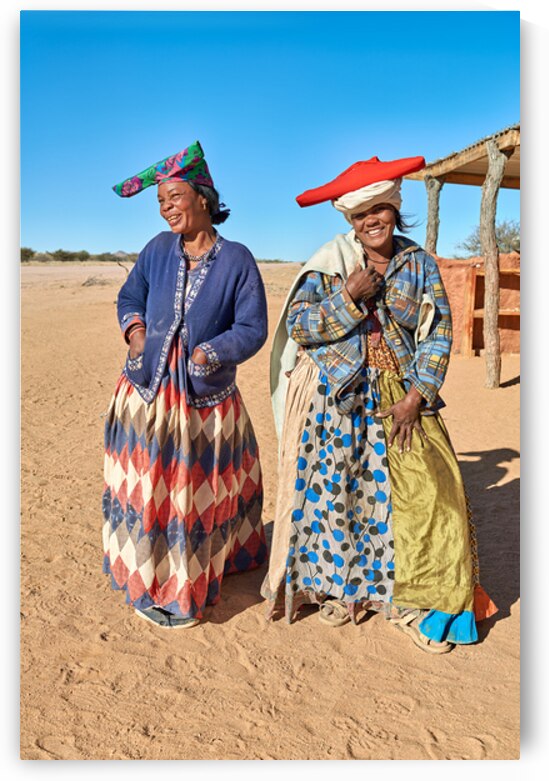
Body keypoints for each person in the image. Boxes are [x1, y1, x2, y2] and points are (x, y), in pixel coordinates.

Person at [262, 154, 497, 653]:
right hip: (335, 398)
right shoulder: (330, 265)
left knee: (432, 496)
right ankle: (343, 593)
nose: (372, 220)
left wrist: (417, 396)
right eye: (360, 213)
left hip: (401, 397)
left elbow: (437, 335)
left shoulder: (419, 264)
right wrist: (347, 298)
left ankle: (419, 603)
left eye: (380, 209)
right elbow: (300, 328)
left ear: (395, 209)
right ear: (350, 220)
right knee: (338, 498)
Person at [103, 141, 268, 628]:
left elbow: (252, 327)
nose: (166, 207)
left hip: (204, 398)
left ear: (203, 197)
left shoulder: (237, 259)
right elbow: (130, 294)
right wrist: (136, 333)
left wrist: (208, 353)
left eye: (174, 197)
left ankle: (183, 589)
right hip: (147, 392)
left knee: (192, 495)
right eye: (160, 201)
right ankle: (146, 576)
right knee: (147, 488)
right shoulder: (156, 249)